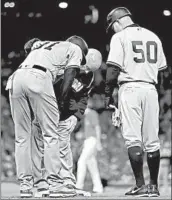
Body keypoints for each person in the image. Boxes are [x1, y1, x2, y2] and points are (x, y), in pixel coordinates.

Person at [6, 36, 88, 198]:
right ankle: (55, 184)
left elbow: (28, 45)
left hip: (17, 77)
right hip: (39, 77)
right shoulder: (75, 49)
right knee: (51, 134)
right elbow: (70, 74)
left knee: (22, 138)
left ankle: (26, 186)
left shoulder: (47, 44)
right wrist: (62, 102)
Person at [105, 7, 167, 197]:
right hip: (150, 89)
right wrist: (157, 95)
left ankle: (140, 185)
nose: (113, 30)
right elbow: (162, 72)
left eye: (112, 26)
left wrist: (108, 94)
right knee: (152, 141)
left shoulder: (120, 37)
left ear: (117, 22)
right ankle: (154, 187)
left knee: (133, 139)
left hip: (130, 88)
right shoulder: (153, 36)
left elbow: (113, 69)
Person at [25, 44, 102, 197]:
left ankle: (68, 184)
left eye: (89, 69)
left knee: (63, 149)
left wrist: (76, 116)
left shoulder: (88, 76)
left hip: (65, 116)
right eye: (85, 66)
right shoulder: (62, 63)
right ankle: (41, 185)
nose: (86, 71)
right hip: (46, 111)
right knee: (42, 147)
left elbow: (83, 97)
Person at [75, 105, 103, 194]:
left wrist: (98, 142)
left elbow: (97, 127)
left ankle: (79, 186)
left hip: (92, 140)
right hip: (88, 140)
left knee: (81, 161)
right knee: (92, 164)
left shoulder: (92, 113)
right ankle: (98, 187)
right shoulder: (86, 116)